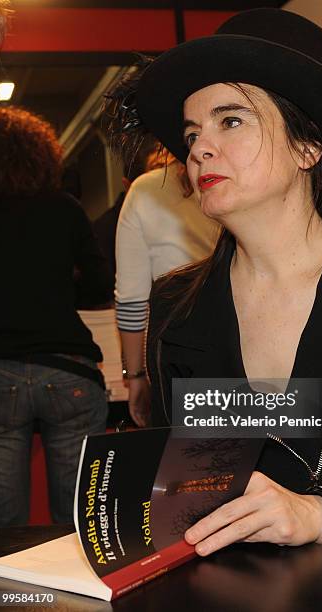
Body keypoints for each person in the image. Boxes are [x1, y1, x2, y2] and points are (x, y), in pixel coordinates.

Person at [110, 9, 322, 566]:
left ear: (308, 147)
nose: (199, 149)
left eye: (230, 121)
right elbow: (178, 498)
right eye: (192, 134)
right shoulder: (178, 311)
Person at [0, 106, 113, 526]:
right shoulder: (64, 208)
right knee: (79, 521)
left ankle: (7, 592)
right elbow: (101, 285)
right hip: (67, 369)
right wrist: (59, 286)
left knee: (1, 527)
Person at [113, 140, 218, 426]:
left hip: (178, 343)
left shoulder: (145, 191)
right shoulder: (231, 178)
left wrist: (135, 376)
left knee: (186, 461)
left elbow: (131, 299)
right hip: (240, 331)